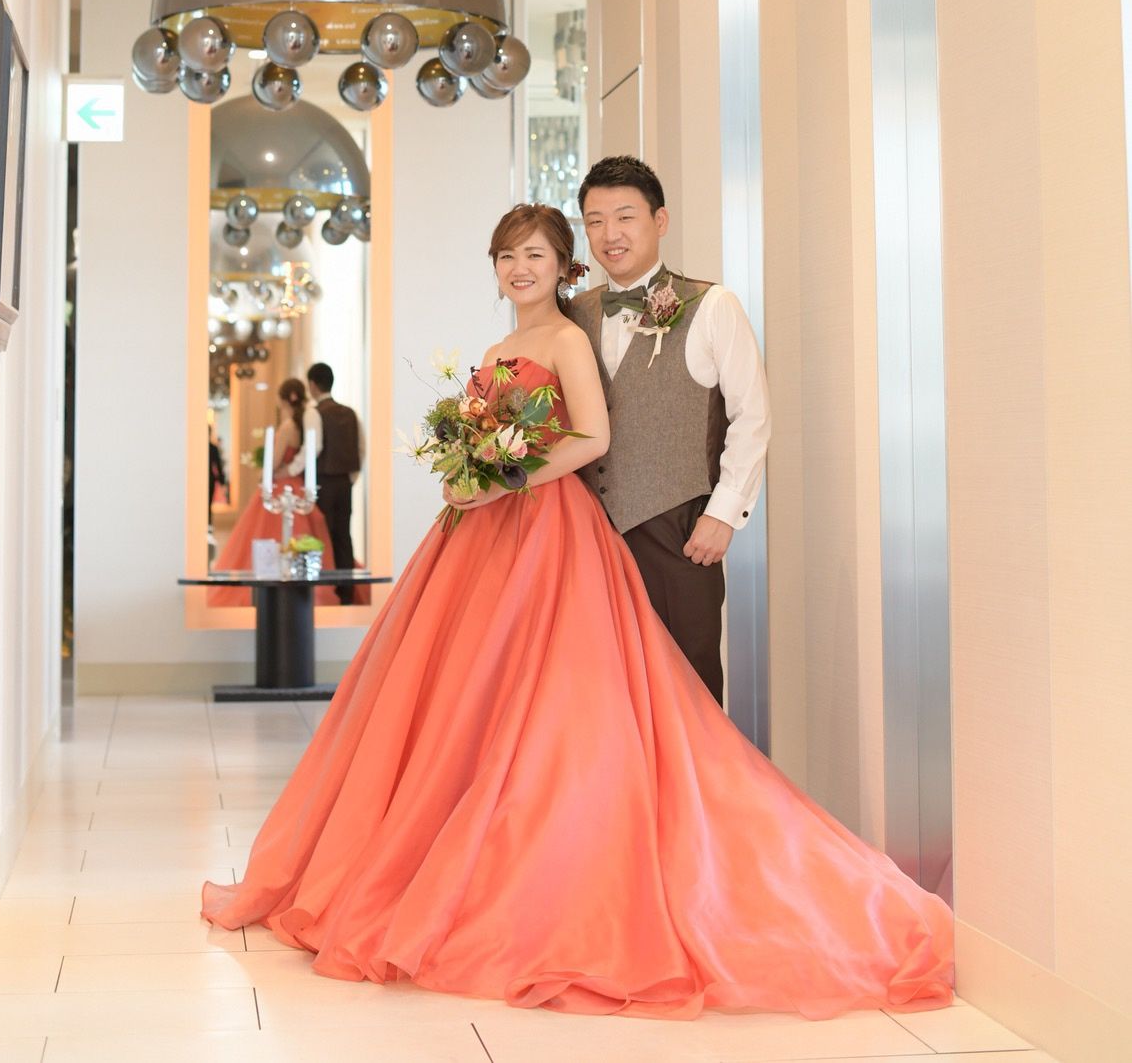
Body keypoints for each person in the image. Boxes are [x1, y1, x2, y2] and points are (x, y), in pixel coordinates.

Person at [203, 203, 952, 1020]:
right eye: (506, 255)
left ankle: (540, 864)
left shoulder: (565, 338)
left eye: (536, 254)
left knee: (548, 700)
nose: (520, 268)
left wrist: (502, 478)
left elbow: (592, 437)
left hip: (546, 529)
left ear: (565, 266)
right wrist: (465, 472)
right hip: (479, 536)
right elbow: (491, 436)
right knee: (465, 698)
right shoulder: (499, 349)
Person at [570, 155, 770, 704]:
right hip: (589, 534)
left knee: (688, 686)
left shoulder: (712, 306)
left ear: (660, 221)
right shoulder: (573, 314)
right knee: (601, 691)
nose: (610, 234)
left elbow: (752, 415)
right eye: (594, 221)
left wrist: (723, 515)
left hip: (678, 530)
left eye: (625, 217)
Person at [208, 378, 335, 608]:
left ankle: (271, 582)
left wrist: (265, 473)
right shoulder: (301, 426)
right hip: (296, 484)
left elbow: (275, 460)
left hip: (280, 485)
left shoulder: (287, 427)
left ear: (284, 399)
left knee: (269, 533)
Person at [306, 362, 362, 608]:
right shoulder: (350, 413)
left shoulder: (314, 413)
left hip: (323, 481)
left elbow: (315, 447)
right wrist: (351, 477)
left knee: (323, 536)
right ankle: (346, 592)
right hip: (344, 482)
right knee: (343, 535)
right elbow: (361, 447)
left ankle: (327, 590)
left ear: (312, 385)